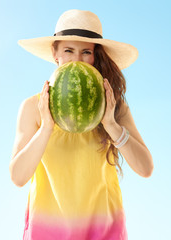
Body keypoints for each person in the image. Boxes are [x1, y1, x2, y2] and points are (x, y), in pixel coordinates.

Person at [9, 9, 154, 240]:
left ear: (96, 56)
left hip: (104, 231)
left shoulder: (115, 107)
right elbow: (18, 177)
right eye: (69, 50)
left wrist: (111, 124)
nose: (77, 60)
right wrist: (47, 127)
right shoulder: (32, 108)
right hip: (47, 232)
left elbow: (145, 168)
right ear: (55, 53)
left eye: (86, 52)